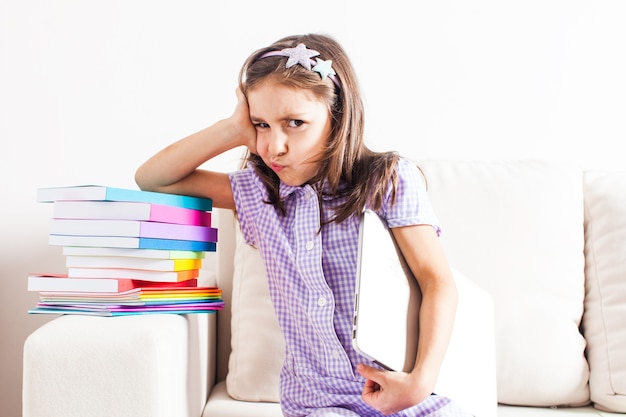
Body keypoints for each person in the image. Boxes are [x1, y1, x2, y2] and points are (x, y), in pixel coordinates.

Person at [135, 33, 471, 417]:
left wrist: (420, 383)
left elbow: (437, 281)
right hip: (320, 406)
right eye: (261, 125)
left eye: (294, 122)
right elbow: (154, 179)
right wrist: (233, 128)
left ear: (337, 117)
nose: (273, 146)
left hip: (406, 398)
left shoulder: (386, 180)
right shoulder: (258, 193)